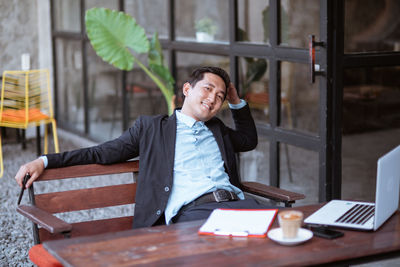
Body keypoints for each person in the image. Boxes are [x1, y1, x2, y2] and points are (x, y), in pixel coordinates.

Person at [15, 66, 276, 229]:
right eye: (208, 89)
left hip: (240, 204)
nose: (212, 99)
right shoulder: (152, 128)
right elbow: (101, 152)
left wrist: (235, 100)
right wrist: (45, 161)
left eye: (219, 97)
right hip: (195, 213)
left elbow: (248, 140)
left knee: (293, 235)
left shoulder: (217, 129)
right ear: (187, 89)